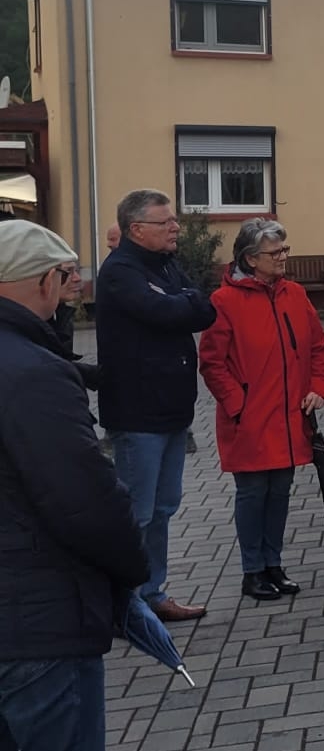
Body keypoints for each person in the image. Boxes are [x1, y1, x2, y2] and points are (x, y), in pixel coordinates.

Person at [0, 221, 184, 751]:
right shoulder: (33, 372)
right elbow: (85, 500)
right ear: (39, 283)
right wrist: (127, 578)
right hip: (37, 621)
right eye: (65, 280)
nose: (71, 292)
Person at [95, 189, 216, 625]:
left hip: (172, 410)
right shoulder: (120, 272)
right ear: (136, 229)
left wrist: (179, 302)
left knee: (163, 508)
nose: (174, 228)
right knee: (138, 512)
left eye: (174, 221)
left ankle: (153, 592)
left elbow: (203, 310)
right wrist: (180, 303)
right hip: (137, 412)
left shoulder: (162, 264)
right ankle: (124, 600)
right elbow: (162, 313)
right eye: (164, 222)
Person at [199, 219, 324, 603]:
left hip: (290, 416)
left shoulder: (294, 294)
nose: (283, 258)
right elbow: (212, 362)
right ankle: (252, 570)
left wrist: (318, 388)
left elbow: (318, 347)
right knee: (253, 493)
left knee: (280, 493)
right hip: (251, 419)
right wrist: (237, 403)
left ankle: (274, 564)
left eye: (285, 250)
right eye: (275, 253)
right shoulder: (224, 302)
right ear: (251, 259)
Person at [48, 259, 98, 389]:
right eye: (68, 272)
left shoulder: (60, 314)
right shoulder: (32, 321)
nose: (77, 278)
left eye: (76, 271)